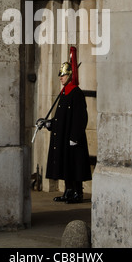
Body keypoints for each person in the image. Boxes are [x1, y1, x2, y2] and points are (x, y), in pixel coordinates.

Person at [36, 48, 92, 203]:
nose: (61, 78)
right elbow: (60, 118)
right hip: (63, 134)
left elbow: (81, 118)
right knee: (65, 164)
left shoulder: (76, 93)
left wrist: (75, 136)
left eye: (64, 75)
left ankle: (77, 192)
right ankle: (68, 190)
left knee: (74, 164)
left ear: (71, 75)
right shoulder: (64, 93)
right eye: (60, 75)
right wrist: (48, 123)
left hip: (72, 136)